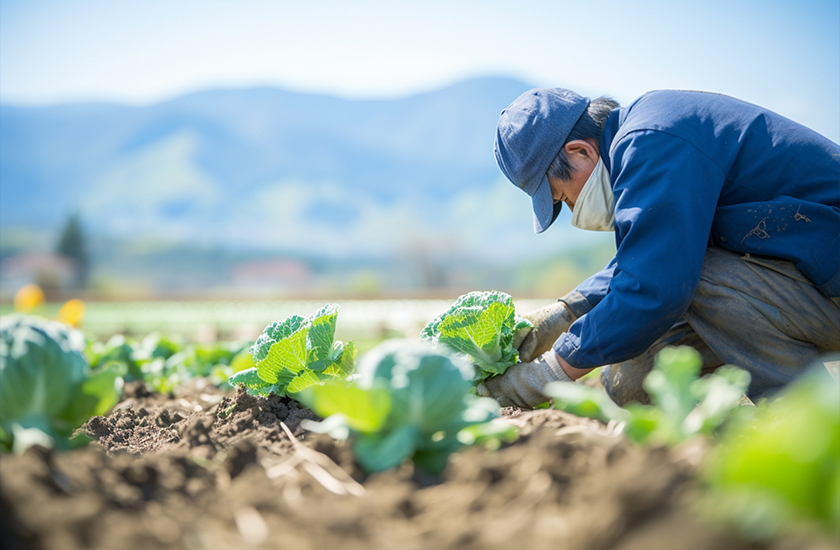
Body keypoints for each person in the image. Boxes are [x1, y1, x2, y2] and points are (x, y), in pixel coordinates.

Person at [479, 88, 840, 408]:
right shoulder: (648, 134)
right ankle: (737, 421)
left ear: (579, 152)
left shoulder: (651, 140)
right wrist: (566, 313)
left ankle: (807, 419)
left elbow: (655, 284)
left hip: (829, 279)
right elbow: (655, 253)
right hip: (810, 281)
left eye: (562, 196)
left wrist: (546, 375)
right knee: (635, 378)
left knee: (693, 278)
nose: (573, 210)